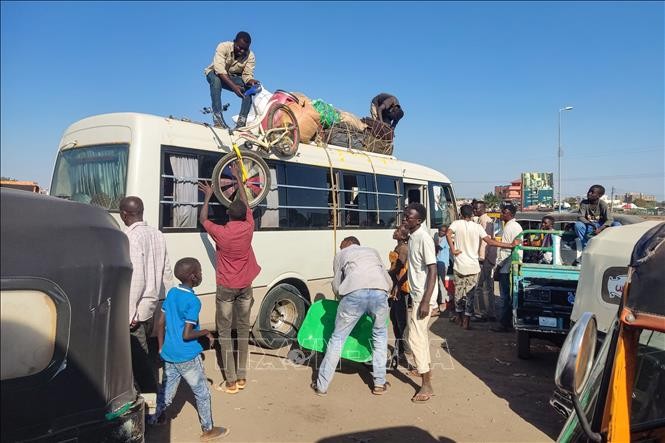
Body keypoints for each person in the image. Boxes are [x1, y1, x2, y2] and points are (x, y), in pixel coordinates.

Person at [198, 163, 261, 394]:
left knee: (224, 333)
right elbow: (244, 204)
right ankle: (242, 377)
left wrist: (207, 197)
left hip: (226, 287)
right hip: (246, 286)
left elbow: (203, 218)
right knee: (243, 330)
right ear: (244, 215)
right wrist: (239, 181)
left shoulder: (221, 233)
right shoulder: (248, 227)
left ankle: (231, 381)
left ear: (227, 214)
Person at [152, 258, 230, 441]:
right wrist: (205, 332)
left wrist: (161, 347)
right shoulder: (193, 301)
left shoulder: (172, 293)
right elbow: (187, 335)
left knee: (166, 393)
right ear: (193, 276)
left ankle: (153, 418)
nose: (202, 275)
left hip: (169, 353)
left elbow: (161, 323)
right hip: (186, 356)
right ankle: (208, 429)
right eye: (200, 272)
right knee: (202, 393)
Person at [313, 236, 392, 396]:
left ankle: (322, 386)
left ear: (346, 245)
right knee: (380, 337)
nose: (341, 249)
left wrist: (342, 299)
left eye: (342, 246)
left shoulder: (341, 255)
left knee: (337, 339)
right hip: (379, 292)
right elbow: (387, 280)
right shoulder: (373, 251)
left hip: (353, 294)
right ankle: (379, 383)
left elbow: (336, 284)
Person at [120, 196, 173, 400]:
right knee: (145, 359)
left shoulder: (131, 238)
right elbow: (166, 271)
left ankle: (151, 410)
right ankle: (149, 405)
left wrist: (130, 312)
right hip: (154, 305)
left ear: (125, 214)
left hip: (137, 311)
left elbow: (137, 278)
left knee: (140, 364)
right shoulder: (157, 234)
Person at [446, 205, 510, 329]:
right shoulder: (478, 227)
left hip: (459, 264)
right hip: (473, 266)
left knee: (458, 293)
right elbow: (490, 242)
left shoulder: (456, 224)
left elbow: (448, 234)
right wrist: (509, 245)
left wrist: (453, 249)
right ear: (472, 214)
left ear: (461, 213)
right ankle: (466, 321)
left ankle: (459, 317)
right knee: (470, 295)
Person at [403, 202, 438, 403]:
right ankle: (424, 370)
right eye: (405, 215)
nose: (405, 218)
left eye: (409, 216)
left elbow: (432, 270)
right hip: (417, 295)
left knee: (416, 338)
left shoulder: (423, 238)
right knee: (418, 336)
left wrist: (426, 300)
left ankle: (426, 384)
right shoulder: (413, 236)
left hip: (422, 297)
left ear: (419, 220)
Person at [204, 31, 260, 129]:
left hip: (232, 77)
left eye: (245, 49)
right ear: (234, 42)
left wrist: (251, 81)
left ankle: (241, 122)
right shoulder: (223, 46)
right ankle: (217, 118)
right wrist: (234, 88)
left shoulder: (250, 56)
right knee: (216, 81)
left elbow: (247, 75)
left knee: (248, 89)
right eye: (239, 47)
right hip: (214, 73)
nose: (241, 51)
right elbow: (220, 71)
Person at [490, 204, 524, 333]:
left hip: (507, 265)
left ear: (510, 214)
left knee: (505, 296)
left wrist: (498, 267)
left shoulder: (511, 227)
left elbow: (508, 249)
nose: (501, 214)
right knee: (508, 296)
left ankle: (504, 324)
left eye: (503, 212)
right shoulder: (511, 226)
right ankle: (507, 322)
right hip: (509, 264)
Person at [388, 225, 411, 364]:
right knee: (395, 318)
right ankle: (400, 348)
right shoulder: (399, 247)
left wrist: (388, 273)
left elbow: (400, 265)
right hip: (396, 286)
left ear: (403, 236)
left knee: (400, 319)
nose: (394, 232)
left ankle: (404, 349)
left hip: (401, 287)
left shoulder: (403, 248)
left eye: (397, 231)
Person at [472, 201, 497, 321]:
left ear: (482, 209)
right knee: (488, 287)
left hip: (485, 258)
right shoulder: (485, 219)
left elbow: (485, 242)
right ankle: (489, 312)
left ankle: (481, 313)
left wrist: (481, 258)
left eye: (476, 209)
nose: (474, 211)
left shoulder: (484, 221)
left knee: (479, 287)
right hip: (488, 257)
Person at [575, 185, 620, 249]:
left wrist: (600, 229)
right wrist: (590, 224)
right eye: (589, 191)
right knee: (578, 225)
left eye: (592, 192)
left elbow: (610, 220)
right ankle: (586, 245)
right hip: (589, 226)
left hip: (601, 226)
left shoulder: (602, 204)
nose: (589, 193)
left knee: (617, 224)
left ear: (599, 196)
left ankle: (612, 246)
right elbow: (580, 217)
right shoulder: (584, 203)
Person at [432, 224, 450, 316]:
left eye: (443, 231)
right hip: (438, 262)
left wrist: (433, 242)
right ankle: (441, 300)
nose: (441, 232)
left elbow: (438, 247)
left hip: (443, 263)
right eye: (440, 230)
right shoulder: (439, 238)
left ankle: (443, 301)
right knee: (437, 282)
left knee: (441, 282)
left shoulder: (445, 239)